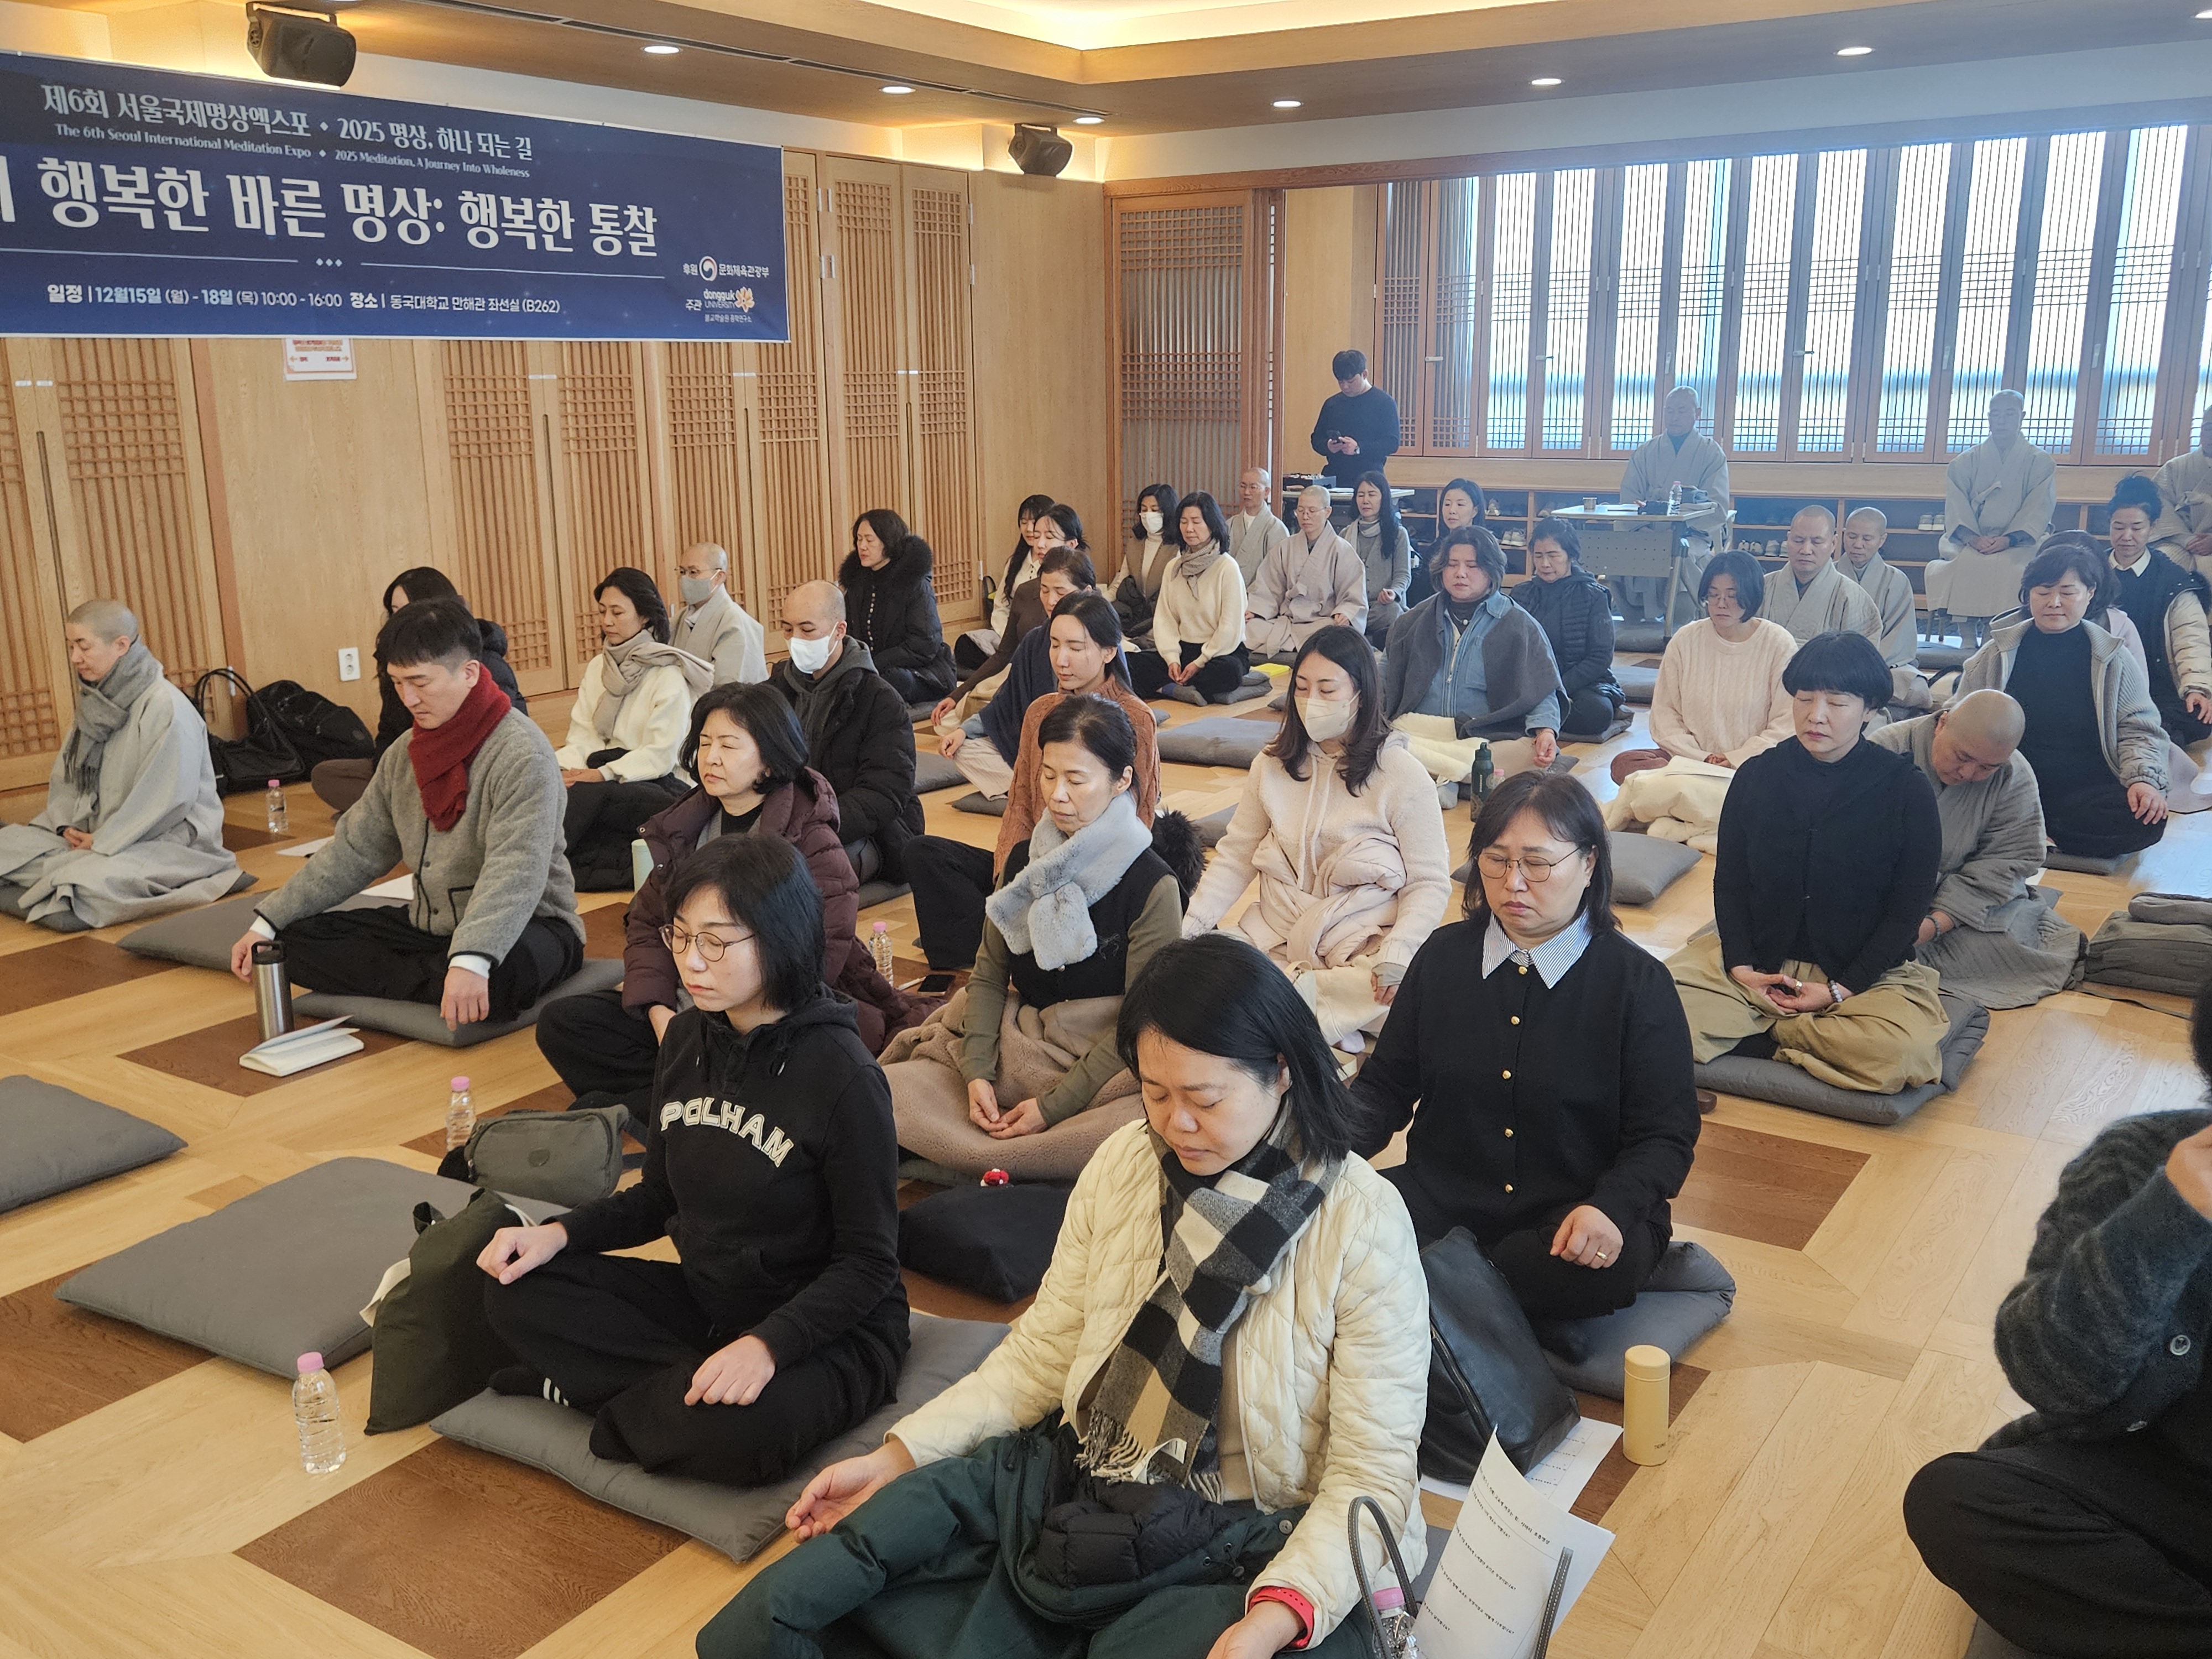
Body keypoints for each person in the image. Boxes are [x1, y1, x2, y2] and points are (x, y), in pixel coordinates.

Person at [703, 932, 1427, 1659]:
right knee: (776, 1615)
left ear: (1282, 1072)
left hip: (1239, 1537)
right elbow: (1042, 1354)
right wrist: (899, 1457)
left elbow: (1373, 1475)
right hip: (1077, 1481)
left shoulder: (1362, 1221)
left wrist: (1273, 1617)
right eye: (1155, 1093)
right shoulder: (1125, 1164)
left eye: (1205, 1099)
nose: (1175, 1123)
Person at [479, 833, 909, 1489]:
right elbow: (658, 1197)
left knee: (747, 1433)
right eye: (680, 937)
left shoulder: (844, 1076)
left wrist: (767, 1346)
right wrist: (557, 1234)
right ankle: (671, 1396)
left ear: (778, 938)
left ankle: (604, 1396)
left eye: (716, 942)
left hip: (826, 1330)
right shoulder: (686, 1039)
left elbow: (869, 1263)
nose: (691, 962)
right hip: (712, 1302)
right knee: (513, 1287)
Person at [1901, 976, 2212, 1659]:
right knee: (1955, 1499)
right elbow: (2049, 1377)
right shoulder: (2138, 1158)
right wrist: (2167, 1220)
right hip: (2154, 1479)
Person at [1354, 771, 1700, 1321]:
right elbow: (1386, 1088)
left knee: (1587, 1270)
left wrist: (1610, 1209)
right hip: (1443, 1199)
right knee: (1335, 1226)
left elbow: (1665, 1135)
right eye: (1496, 860)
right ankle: (1466, 1298)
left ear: (1588, 864)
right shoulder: (1443, 957)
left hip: (1573, 1216)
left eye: (1537, 864)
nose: (1513, 883)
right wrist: (1317, 1150)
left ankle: (1441, 1293)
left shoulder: (1636, 983)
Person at [534, 683, 926, 1112]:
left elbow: (817, 956)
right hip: (691, 996)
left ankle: (669, 1103)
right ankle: (688, 1101)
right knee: (564, 1024)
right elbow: (647, 924)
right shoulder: (686, 825)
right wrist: (661, 1012)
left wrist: (720, 1020)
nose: (712, 757)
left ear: (769, 760)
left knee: (789, 1065)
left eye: (729, 745)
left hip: (766, 1012)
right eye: (705, 743)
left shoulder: (811, 838)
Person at [228, 597, 583, 1029]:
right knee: (287, 944)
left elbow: (515, 871)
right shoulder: (404, 754)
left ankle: (458, 974)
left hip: (530, 924)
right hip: (430, 926)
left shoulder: (522, 753)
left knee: (504, 974)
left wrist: (473, 958)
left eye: (420, 682)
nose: (408, 699)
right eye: (397, 683)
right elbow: (356, 850)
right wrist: (268, 922)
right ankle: (444, 979)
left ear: (469, 673)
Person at [885, 696, 1186, 1178]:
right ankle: (1000, 1149)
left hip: (1106, 1057)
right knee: (891, 1090)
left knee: (1139, 1125)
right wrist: (977, 1072)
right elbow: (987, 978)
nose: (1057, 795)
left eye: (1076, 780)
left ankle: (995, 1153)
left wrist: (1052, 1107)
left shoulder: (1152, 885)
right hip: (1025, 1040)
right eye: (1048, 775)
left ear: (1122, 780)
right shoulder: (1026, 862)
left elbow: (1141, 1024)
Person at [1668, 630, 1949, 1095]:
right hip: (1759, 966)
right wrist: (1741, 967)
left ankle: (1764, 1034)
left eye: (1837, 703)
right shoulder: (1756, 776)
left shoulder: (1905, 789)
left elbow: (1907, 910)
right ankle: (1801, 1038)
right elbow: (1731, 883)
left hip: (1859, 977)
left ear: (1870, 710)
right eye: (1804, 699)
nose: (1816, 715)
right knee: (1651, 1008)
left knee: (1901, 1054)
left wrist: (1842, 989)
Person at [1187, 625, 1451, 1050]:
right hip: (1278, 935)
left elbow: (1429, 882)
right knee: (1204, 974)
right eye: (1302, 688)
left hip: (1361, 947)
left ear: (1360, 694)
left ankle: (1276, 1012)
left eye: (1327, 690)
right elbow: (1236, 856)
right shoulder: (1270, 766)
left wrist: (1398, 952)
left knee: (1412, 1001)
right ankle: (1308, 1015)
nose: (1312, 701)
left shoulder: (1403, 775)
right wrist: (1192, 925)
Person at [906, 593, 1160, 971]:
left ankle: (1008, 942)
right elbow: (1020, 803)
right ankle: (996, 947)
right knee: (924, 853)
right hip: (1034, 859)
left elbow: (1140, 817)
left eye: (1076, 647)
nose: (1061, 659)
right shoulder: (1041, 711)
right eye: (1055, 645)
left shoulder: (1135, 718)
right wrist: (1008, 877)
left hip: (1092, 875)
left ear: (1109, 651)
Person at [0, 599, 239, 931]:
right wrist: (66, 826)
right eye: (71, 647)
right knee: (9, 848)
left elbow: (166, 801)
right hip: (94, 831)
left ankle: (75, 870)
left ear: (121, 645)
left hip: (164, 838)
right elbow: (68, 778)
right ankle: (69, 867)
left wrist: (104, 841)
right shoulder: (95, 701)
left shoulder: (165, 706)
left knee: (89, 884)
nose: (75, 658)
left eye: (83, 646)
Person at [1954, 541, 2171, 861]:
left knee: (2147, 818)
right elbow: (1957, 718)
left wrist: (2144, 779)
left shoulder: (2112, 657)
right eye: (2043, 592)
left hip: (2085, 790)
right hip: (2006, 783)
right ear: (2028, 594)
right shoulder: (1997, 654)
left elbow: (2140, 728)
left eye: (2068, 592)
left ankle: (2028, 833)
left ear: (2090, 594)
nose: (2054, 602)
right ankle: (2031, 831)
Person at [1869, 692, 2086, 1009]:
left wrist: (1935, 924)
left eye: (1986, 767)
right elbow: (1847, 850)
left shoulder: (2014, 774)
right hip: (1880, 898)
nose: (1968, 774)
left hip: (1964, 905)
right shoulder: (1884, 750)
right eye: (1962, 757)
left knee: (2019, 943)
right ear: (1942, 723)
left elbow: (2008, 862)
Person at [310, 566, 525, 815]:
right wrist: (388, 777)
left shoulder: (480, 662)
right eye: (394, 611)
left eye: (420, 683)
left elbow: (503, 728)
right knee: (329, 775)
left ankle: (396, 813)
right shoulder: (397, 663)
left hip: (461, 768)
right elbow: (388, 731)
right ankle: (392, 811)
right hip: (415, 759)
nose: (408, 698)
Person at [555, 567, 714, 891]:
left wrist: (603, 774)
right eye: (602, 612)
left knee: (590, 796)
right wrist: (562, 770)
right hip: (604, 775)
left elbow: (661, 754)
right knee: (555, 787)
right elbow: (583, 734)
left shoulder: (667, 674)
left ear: (644, 617)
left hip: (657, 783)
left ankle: (547, 860)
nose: (607, 621)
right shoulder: (597, 668)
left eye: (617, 612)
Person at [1381, 524, 1564, 786]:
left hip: (1485, 736)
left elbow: (1541, 690)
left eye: (1472, 566)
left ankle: (1431, 774)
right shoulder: (1411, 621)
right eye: (1452, 565)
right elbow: (1383, 678)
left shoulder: (1519, 624)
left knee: (1527, 752)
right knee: (1384, 739)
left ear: (1491, 571)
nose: (1461, 573)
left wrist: (1546, 730)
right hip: (1420, 731)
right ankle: (1456, 775)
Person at [770, 581, 924, 885]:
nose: (795, 639)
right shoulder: (775, 692)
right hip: (786, 826)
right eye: (788, 629)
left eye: (807, 630)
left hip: (864, 832)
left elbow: (884, 792)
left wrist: (816, 824)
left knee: (791, 880)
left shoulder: (879, 699)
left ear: (839, 631)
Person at [1610, 552, 1798, 782]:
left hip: (1752, 763)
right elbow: (1665, 714)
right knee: (1624, 764)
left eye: (1732, 596)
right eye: (1713, 594)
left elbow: (1786, 722)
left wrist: (1736, 758)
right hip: (1691, 760)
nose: (1721, 604)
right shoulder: (1685, 639)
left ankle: (1699, 790)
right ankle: (1707, 787)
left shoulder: (1778, 643)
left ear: (1752, 596)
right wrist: (1703, 758)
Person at [933, 547, 1096, 802]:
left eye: (1060, 592)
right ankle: (1036, 792)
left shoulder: (1100, 642)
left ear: (1086, 592)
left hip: (1084, 748)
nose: (1051, 600)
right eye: (1045, 590)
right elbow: (1005, 701)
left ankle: (1038, 791)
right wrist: (964, 731)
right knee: (964, 748)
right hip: (1036, 749)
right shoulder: (1035, 640)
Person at [1927, 389, 2056, 640]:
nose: (2002, 420)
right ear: (1988, 418)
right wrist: (1972, 538)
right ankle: (1966, 636)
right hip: (1972, 539)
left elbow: (2038, 507)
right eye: (1996, 414)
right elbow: (1956, 505)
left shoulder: (2040, 462)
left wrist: (2009, 539)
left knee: (2011, 568)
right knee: (1962, 563)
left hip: (2019, 541)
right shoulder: (1965, 462)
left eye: (2009, 414)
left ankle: (1993, 635)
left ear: (2022, 417)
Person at [2105, 474, 2212, 749]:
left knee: (2198, 716)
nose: (2126, 536)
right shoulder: (2091, 570)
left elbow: (2191, 638)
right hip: (2101, 681)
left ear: (2153, 528)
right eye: (2119, 527)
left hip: (2154, 686)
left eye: (2137, 527)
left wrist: (2197, 688)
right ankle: (2144, 737)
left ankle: (2134, 735)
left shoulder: (2173, 580)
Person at [1617, 386, 1732, 623]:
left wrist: (1679, 528)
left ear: (1697, 414)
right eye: (1669, 411)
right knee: (1618, 553)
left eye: (1681, 411)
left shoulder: (1711, 453)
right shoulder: (1646, 452)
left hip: (1691, 534)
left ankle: (1680, 623)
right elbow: (1629, 497)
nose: (1674, 417)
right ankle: (1636, 623)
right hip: (1646, 532)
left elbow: (1717, 505)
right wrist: (1642, 528)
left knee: (1682, 554)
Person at [1129, 491, 1250, 704]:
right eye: (1184, 522)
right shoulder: (1174, 568)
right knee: (1128, 663)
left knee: (1228, 673)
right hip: (1184, 650)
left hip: (1220, 653)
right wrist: (1172, 659)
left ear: (1211, 525)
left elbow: (1230, 627)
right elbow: (1165, 619)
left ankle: (1172, 687)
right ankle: (1180, 688)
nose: (1189, 528)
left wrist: (1200, 662)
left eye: (1196, 521)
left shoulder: (1227, 567)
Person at [1514, 517, 1625, 740]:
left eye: (1553, 555)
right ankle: (1539, 718)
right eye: (1539, 556)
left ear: (1570, 556)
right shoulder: (1521, 594)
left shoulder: (1593, 595)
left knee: (1596, 714)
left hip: (1579, 685)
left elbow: (1600, 657)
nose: (1545, 564)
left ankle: (1534, 720)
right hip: (1532, 683)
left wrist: (1558, 688)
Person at [839, 512, 957, 705]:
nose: (862, 546)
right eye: (859, 539)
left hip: (920, 671)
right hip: (871, 666)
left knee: (893, 680)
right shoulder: (857, 583)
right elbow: (847, 632)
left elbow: (925, 644)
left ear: (889, 542)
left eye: (869, 540)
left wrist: (875, 663)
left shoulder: (915, 584)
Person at [1243, 482, 1364, 660]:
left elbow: (1353, 595)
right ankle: (1295, 645)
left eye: (1312, 511)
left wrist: (1345, 612)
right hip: (1287, 620)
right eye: (1300, 511)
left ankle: (1292, 646)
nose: (1305, 516)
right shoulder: (1285, 547)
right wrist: (1257, 609)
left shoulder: (1342, 550)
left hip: (1321, 621)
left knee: (1333, 634)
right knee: (1250, 627)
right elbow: (1269, 587)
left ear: (1327, 512)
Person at [957, 492, 1056, 670]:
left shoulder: (1057, 565)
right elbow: (1001, 605)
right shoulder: (1015, 562)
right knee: (966, 644)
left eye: (1034, 522)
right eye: (1023, 522)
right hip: (1010, 636)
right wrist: (1008, 636)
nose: (1028, 529)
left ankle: (1011, 667)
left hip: (1043, 639)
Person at [1759, 506, 1883, 646]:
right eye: (1798, 540)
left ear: (1833, 544)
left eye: (1817, 542)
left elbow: (1861, 656)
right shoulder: (1762, 587)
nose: (1806, 550)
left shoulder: (1854, 598)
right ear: (1788, 540)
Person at [671, 542, 768, 687]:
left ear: (719, 577)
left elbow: (729, 684)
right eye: (682, 572)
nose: (685, 579)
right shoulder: (681, 618)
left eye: (693, 572)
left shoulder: (734, 621)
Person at [1838, 508, 1921, 670]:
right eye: (1852, 537)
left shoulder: (1896, 580)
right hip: (1831, 661)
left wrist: (1868, 665)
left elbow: (1898, 635)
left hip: (1881, 663)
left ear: (1882, 540)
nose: (1858, 545)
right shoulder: (1828, 575)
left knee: (1913, 684)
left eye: (1867, 539)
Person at [1344, 471, 1412, 646]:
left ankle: (1356, 633)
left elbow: (1403, 575)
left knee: (1392, 611)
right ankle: (1362, 636)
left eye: (1372, 494)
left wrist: (1394, 593)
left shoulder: (1398, 534)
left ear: (1384, 498)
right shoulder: (1345, 535)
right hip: (1353, 605)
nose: (1365, 500)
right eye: (1361, 495)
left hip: (1382, 608)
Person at [1310, 347, 1402, 476]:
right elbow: (1317, 439)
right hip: (1335, 474)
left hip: (1369, 476)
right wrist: (1328, 446)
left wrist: (1359, 448)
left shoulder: (1384, 403)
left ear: (1364, 375)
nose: (1345, 387)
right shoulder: (1332, 404)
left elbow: (1392, 443)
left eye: (1351, 381)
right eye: (1341, 382)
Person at [1112, 482, 1180, 647]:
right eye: (1144, 510)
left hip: (1163, 616)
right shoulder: (1135, 543)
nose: (1148, 515)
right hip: (1134, 613)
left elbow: (1177, 599)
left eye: (1155, 510)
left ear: (1168, 512)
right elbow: (1119, 584)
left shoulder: (1178, 547)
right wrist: (1097, 602)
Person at [1405, 475, 1487, 610]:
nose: (1452, 511)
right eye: (1447, 504)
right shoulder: (1435, 550)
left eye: (1460, 505)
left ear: (1475, 511)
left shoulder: (1486, 549)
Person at [2151, 404, 2212, 580]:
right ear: (2201, 432)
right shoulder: (2175, 467)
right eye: (2209, 428)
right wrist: (2187, 540)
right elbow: (2158, 505)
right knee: (2160, 564)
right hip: (2176, 541)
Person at [1225, 466, 1290, 586]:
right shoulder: (1230, 524)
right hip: (1230, 590)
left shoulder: (1276, 528)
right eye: (1243, 486)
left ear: (1266, 492)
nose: (1246, 492)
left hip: (1261, 594)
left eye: (1253, 487)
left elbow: (1277, 574)